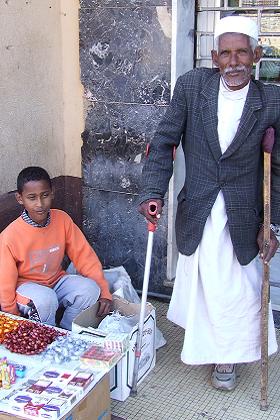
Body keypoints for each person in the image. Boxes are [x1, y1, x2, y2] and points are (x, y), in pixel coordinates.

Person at [139, 15, 280, 391]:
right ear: (214, 57)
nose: (234, 63)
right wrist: (153, 192)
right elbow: (164, 141)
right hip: (200, 209)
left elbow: (278, 171)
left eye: (242, 54)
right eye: (226, 55)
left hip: (244, 215)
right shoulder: (191, 87)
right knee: (207, 288)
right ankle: (210, 347)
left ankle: (227, 358)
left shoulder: (271, 101)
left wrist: (274, 225)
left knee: (238, 291)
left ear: (257, 54)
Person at [0, 166, 112, 330]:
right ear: (20, 198)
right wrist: (13, 319)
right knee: (47, 299)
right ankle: (47, 335)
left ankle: (66, 332)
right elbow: (5, 283)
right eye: (32, 197)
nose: (40, 204)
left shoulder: (62, 220)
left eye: (44, 195)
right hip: (26, 290)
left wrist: (105, 292)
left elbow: (84, 257)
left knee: (90, 289)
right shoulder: (9, 236)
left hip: (56, 282)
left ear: (52, 192)